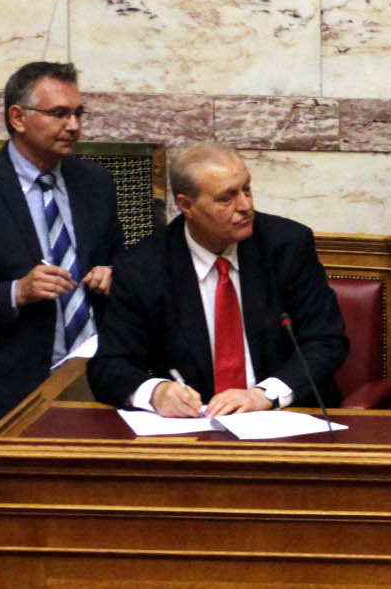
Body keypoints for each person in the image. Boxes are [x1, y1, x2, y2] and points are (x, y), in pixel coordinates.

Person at [0, 62, 125, 443]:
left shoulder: (96, 184)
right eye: (59, 113)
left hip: (97, 386)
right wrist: (17, 291)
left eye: (78, 113)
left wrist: (114, 273)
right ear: (18, 117)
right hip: (4, 397)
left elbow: (121, 259)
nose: (74, 126)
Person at [87, 143, 348, 416]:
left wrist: (265, 394)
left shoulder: (287, 246)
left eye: (246, 189)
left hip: (286, 416)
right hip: (195, 425)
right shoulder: (143, 267)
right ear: (186, 206)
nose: (246, 206)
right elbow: (109, 366)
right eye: (226, 198)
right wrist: (156, 392)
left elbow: (326, 340)